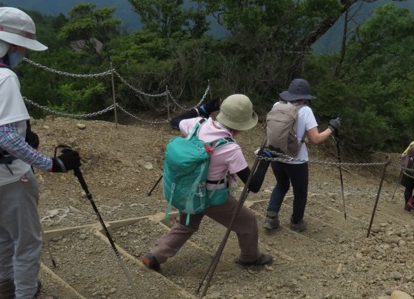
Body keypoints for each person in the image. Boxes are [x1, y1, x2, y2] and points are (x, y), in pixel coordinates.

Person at [0, 7, 81, 299]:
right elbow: (6, 138)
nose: (24, 54)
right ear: (11, 45)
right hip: (6, 177)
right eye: (23, 48)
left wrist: (23, 135)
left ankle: (3, 288)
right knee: (27, 242)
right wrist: (51, 164)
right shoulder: (2, 77)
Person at [141, 94, 273, 271]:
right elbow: (253, 185)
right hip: (211, 197)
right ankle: (250, 257)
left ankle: (155, 255)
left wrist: (202, 109)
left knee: (185, 224)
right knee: (248, 222)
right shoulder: (230, 148)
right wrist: (264, 161)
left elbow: (174, 121)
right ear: (241, 127)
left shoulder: (198, 123)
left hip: (188, 189)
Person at [263, 79, 340, 233]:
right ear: (304, 97)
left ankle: (271, 218)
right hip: (296, 160)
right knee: (300, 191)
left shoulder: (277, 106)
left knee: (281, 185)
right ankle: (296, 222)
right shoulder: (305, 111)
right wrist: (332, 128)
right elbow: (315, 139)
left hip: (276, 154)